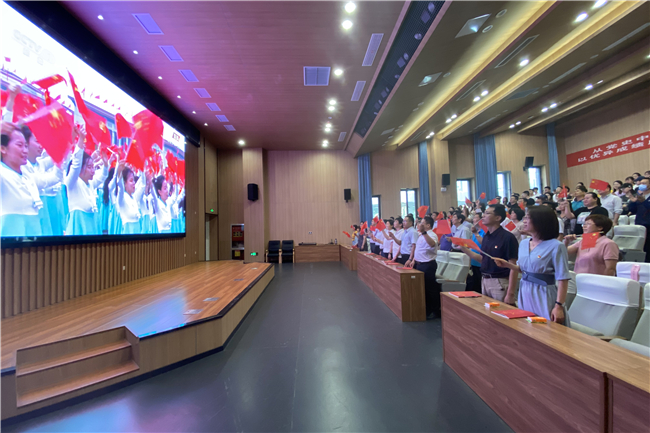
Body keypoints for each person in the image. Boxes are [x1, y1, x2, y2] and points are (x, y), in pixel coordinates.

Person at [494, 206, 571, 325]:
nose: (524, 221)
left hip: (543, 292)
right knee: (526, 325)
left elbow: (563, 278)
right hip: (525, 289)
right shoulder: (524, 243)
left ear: (541, 221)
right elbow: (523, 269)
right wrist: (508, 265)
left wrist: (559, 305)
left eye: (528, 218)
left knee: (546, 327)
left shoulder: (556, 246)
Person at [460, 204, 519, 303]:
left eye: (487, 213)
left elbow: (513, 266)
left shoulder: (508, 237)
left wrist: (510, 293)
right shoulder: (487, 236)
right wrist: (464, 248)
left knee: (500, 311)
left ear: (498, 218)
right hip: (485, 279)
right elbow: (483, 259)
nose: (483, 216)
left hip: (499, 281)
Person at [0, 122, 43, 237]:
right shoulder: (2, 173)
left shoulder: (28, 176)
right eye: (19, 145)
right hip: (10, 244)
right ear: (3, 148)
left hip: (33, 242)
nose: (25, 151)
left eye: (26, 146)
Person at [65, 126, 107, 236]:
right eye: (89, 167)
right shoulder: (73, 182)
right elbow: (76, 165)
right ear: (80, 169)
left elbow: (102, 176)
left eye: (93, 167)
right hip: (79, 227)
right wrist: (80, 141)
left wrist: (106, 164)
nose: (93, 170)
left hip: (92, 225)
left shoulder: (90, 184)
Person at [405, 216, 441, 318]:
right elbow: (419, 250)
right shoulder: (421, 235)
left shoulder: (432, 235)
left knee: (430, 289)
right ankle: (426, 309)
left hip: (428, 264)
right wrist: (413, 260)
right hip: (419, 264)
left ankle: (435, 311)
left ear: (428, 225)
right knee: (423, 288)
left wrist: (424, 233)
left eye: (422, 223)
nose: (420, 224)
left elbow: (432, 244)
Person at [113, 161, 144, 234]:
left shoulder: (134, 197)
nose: (134, 183)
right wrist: (119, 173)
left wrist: (143, 168)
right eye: (131, 180)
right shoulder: (121, 198)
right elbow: (120, 187)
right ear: (124, 183)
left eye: (134, 180)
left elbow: (143, 185)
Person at [626, 177, 650, 262]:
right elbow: (632, 210)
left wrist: (643, 201)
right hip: (639, 224)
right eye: (640, 183)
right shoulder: (639, 196)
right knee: (641, 247)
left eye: (644, 183)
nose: (641, 185)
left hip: (648, 224)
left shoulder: (643, 198)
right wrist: (632, 201)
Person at [466, 214, 486, 293]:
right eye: (474, 218)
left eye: (476, 218)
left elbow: (484, 244)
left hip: (480, 259)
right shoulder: (475, 231)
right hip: (473, 259)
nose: (474, 219)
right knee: (474, 282)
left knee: (479, 283)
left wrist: (475, 233)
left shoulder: (484, 232)